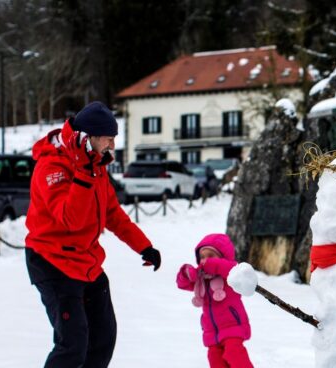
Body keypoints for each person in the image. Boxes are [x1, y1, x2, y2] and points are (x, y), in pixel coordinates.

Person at [25, 101, 162, 368]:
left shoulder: (95, 164)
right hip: (52, 261)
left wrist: (144, 247)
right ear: (87, 139)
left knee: (102, 339)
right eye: (108, 139)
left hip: (86, 262)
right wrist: (83, 174)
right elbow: (70, 220)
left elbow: (112, 213)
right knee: (73, 345)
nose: (112, 145)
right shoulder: (52, 167)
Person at [176, 233, 253, 368]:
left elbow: (230, 268)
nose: (205, 260)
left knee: (234, 353)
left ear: (222, 257)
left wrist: (213, 264)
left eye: (211, 255)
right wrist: (186, 273)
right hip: (212, 331)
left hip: (232, 326)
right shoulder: (202, 279)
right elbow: (182, 284)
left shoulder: (230, 275)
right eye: (202, 257)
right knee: (215, 359)